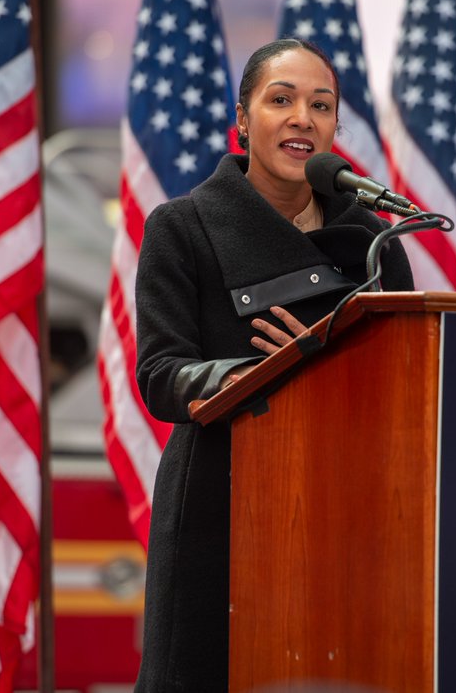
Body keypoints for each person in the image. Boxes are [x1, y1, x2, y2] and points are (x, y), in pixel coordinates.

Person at [132, 37, 415, 692]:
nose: (302, 118)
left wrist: (334, 370)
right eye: (280, 99)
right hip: (221, 505)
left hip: (349, 506)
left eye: (321, 105)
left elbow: (403, 376)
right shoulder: (182, 227)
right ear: (241, 120)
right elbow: (159, 375)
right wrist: (272, 371)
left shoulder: (374, 238)